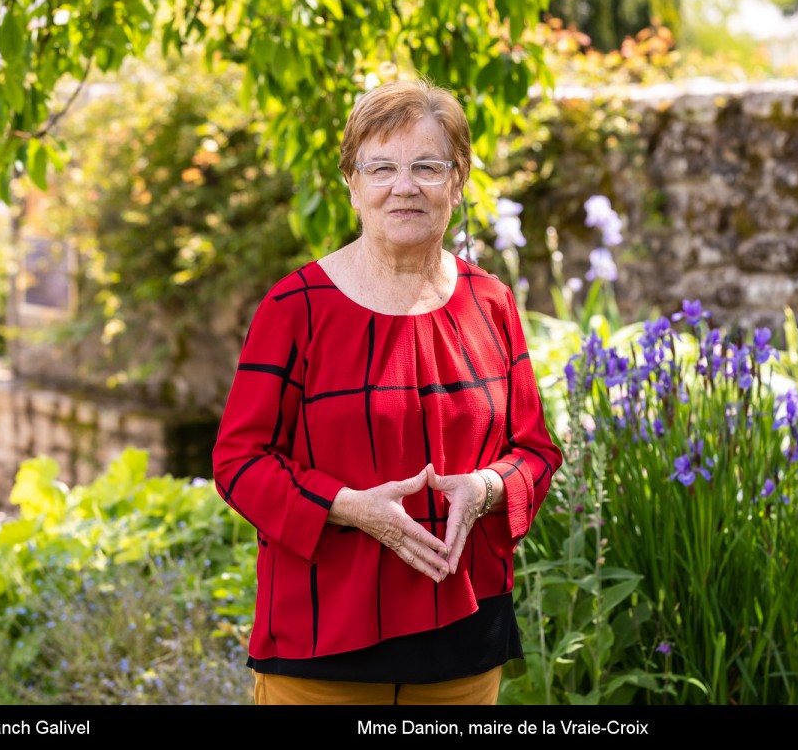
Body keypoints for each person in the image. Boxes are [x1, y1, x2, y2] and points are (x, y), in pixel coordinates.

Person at [211, 79, 563, 705]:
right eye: (382, 167)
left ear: (457, 181)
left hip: (465, 644)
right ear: (352, 183)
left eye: (428, 166)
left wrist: (485, 489)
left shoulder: (492, 302)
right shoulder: (295, 308)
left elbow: (535, 450)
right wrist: (349, 506)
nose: (406, 185)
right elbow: (239, 463)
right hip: (322, 649)